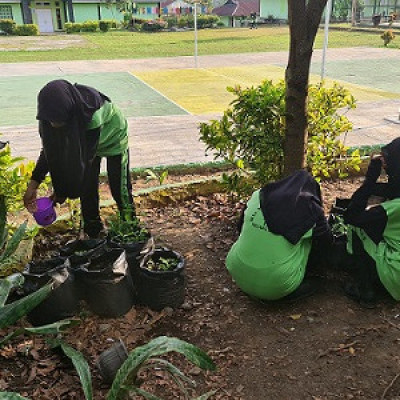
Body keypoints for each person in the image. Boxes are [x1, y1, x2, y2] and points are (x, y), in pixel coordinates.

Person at [23, 79, 135, 238]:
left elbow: (82, 159)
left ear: (68, 112)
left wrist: (62, 190)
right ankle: (93, 231)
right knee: (87, 188)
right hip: (86, 145)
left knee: (119, 188)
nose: (54, 125)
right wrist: (32, 186)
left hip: (113, 139)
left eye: (58, 120)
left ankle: (130, 228)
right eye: (51, 120)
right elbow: (50, 152)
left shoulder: (91, 115)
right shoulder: (48, 117)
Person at [226, 170, 332, 302]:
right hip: (278, 285)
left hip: (237, 271)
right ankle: (291, 285)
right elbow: (326, 243)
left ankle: (255, 276)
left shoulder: (258, 195)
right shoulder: (311, 209)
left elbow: (240, 226)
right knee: (310, 238)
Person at [343, 137, 400, 307]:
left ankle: (365, 289)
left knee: (358, 227)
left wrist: (369, 181)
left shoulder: (392, 209)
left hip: (395, 279)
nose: (386, 168)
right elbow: (391, 189)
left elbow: (350, 216)